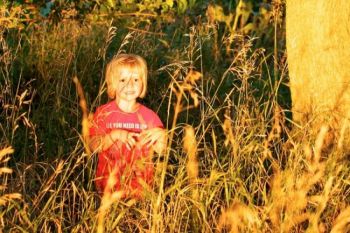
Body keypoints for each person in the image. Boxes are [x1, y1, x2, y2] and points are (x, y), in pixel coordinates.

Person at [89, 54, 166, 198]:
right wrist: (115, 135)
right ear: (112, 83)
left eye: (136, 79)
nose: (130, 85)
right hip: (107, 188)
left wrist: (162, 136)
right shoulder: (104, 113)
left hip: (140, 190)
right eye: (123, 79)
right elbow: (93, 146)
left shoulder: (150, 117)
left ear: (143, 84)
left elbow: (161, 151)